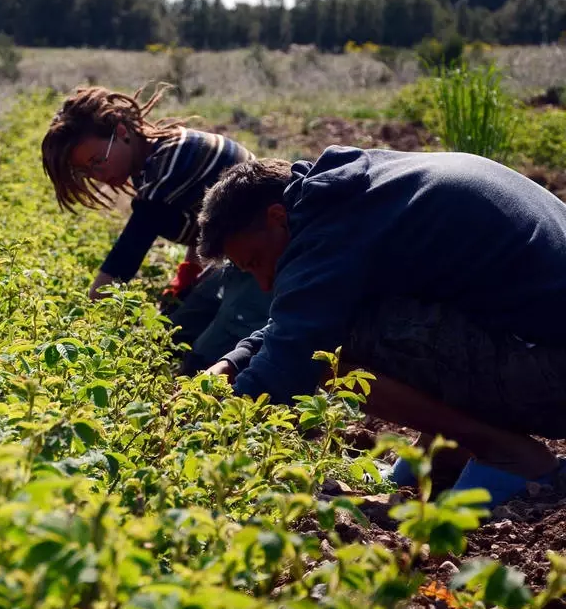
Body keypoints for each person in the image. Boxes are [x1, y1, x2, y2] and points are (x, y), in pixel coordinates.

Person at [196, 145, 566, 507]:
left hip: (554, 371)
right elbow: (304, 314)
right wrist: (235, 361)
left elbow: (296, 348)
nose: (264, 283)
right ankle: (444, 450)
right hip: (542, 347)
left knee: (333, 349)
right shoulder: (353, 190)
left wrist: (206, 439)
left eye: (256, 261)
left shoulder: (330, 227)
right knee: (345, 320)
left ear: (278, 217)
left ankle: (510, 456)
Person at [40, 84, 272, 374]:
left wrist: (83, 321)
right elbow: (204, 220)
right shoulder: (155, 163)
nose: (98, 175)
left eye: (97, 161)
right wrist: (189, 273)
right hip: (234, 259)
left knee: (205, 357)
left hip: (269, 257)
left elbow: (128, 252)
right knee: (173, 333)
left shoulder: (172, 159)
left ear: (122, 133)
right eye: (87, 171)